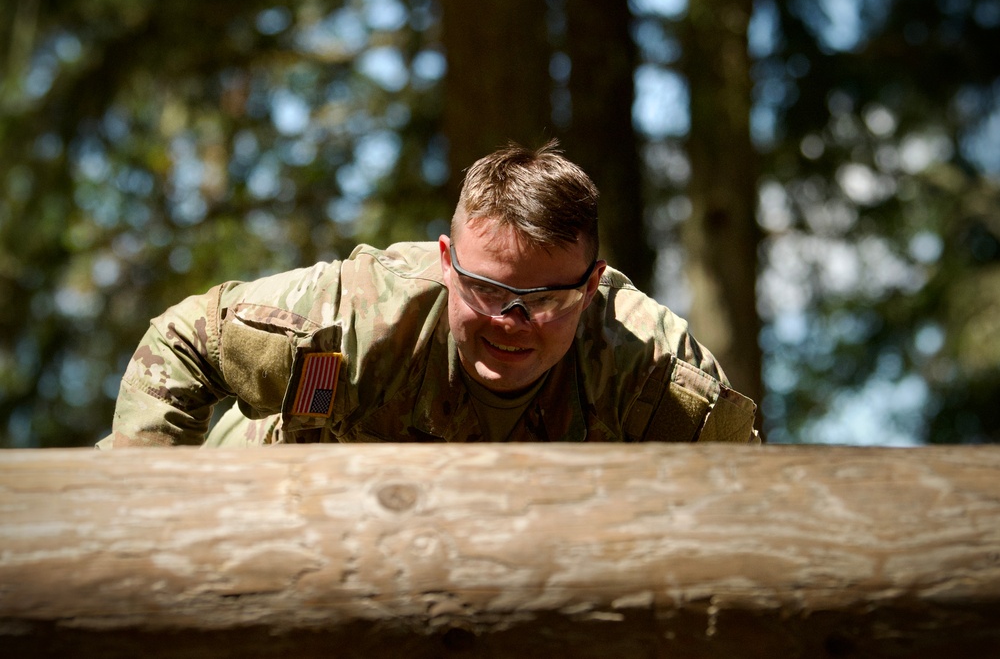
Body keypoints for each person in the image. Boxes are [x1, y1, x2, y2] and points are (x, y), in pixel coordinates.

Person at [100, 140, 759, 448]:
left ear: (592, 286)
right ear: (446, 263)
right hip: (259, 513)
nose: (513, 321)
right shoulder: (357, 315)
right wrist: (151, 507)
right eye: (489, 289)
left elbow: (745, 512)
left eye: (548, 299)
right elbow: (188, 336)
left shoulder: (654, 378)